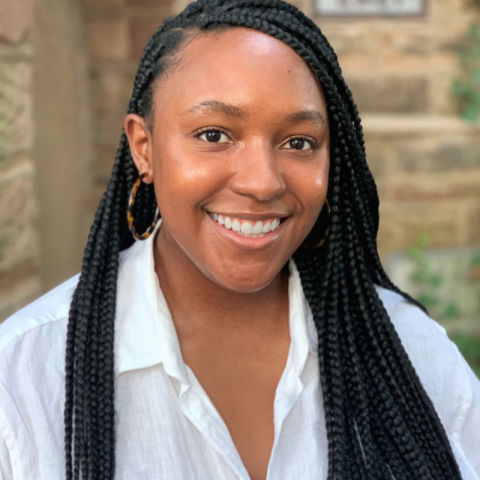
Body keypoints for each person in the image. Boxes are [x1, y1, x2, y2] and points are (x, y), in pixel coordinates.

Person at [0, 0, 479, 479]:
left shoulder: (409, 348)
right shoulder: (22, 377)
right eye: (213, 134)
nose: (263, 182)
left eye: (299, 142)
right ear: (144, 148)